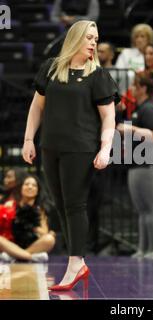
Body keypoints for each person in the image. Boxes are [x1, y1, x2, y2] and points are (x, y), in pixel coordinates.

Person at [22, 20, 119, 291]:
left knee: (75, 205)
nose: (93, 43)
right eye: (89, 37)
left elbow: (109, 117)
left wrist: (105, 148)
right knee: (61, 205)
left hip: (81, 147)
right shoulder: (52, 68)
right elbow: (36, 106)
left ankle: (76, 263)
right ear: (75, 38)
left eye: (96, 39)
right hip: (50, 146)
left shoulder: (98, 75)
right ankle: (77, 261)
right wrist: (29, 139)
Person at [117, 72, 153, 259]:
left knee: (152, 207)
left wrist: (131, 130)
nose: (131, 89)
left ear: (143, 88)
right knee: (142, 210)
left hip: (150, 164)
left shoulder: (149, 109)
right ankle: (143, 249)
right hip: (137, 164)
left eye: (134, 85)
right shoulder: (138, 109)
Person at [0, 174, 55, 262]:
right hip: (12, 243)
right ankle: (31, 257)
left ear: (37, 190)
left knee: (50, 239)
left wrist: (30, 225)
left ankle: (16, 256)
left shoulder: (40, 209)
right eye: (26, 184)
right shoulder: (10, 205)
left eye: (34, 185)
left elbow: (44, 233)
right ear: (21, 188)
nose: (30, 187)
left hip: (32, 245)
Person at [115, 23, 153, 94]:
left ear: (149, 39)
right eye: (136, 37)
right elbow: (118, 73)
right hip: (127, 92)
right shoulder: (126, 53)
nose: (139, 40)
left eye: (142, 36)